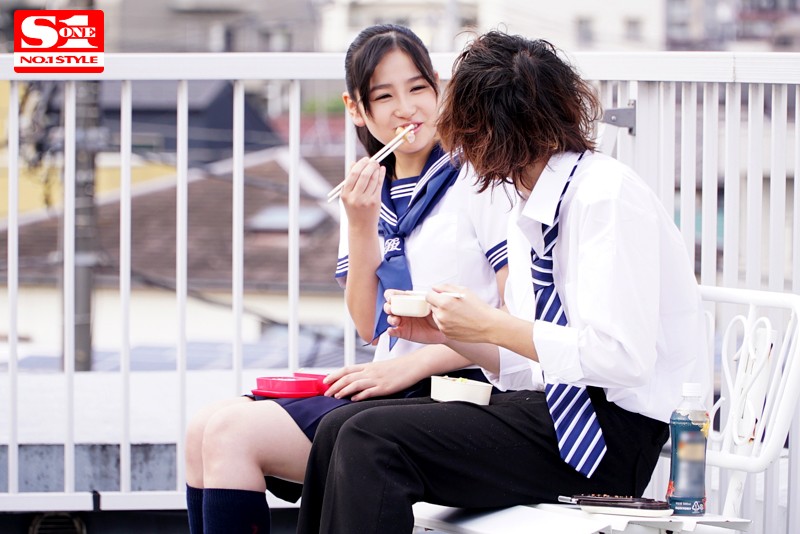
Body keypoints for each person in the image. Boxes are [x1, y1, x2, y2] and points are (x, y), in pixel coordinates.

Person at [295, 31, 711, 534]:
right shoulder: (529, 204)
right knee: (338, 429)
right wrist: (453, 333)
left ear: (490, 133)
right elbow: (528, 365)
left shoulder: (606, 197)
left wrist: (492, 325)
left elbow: (622, 358)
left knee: (371, 441)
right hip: (555, 411)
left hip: (608, 438)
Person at [183, 25, 512, 534]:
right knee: (200, 431)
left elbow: (514, 316)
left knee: (231, 433)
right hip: (394, 385)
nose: (407, 109)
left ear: (439, 89)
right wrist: (360, 225)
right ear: (356, 109)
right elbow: (368, 325)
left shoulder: (479, 179)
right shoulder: (366, 192)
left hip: (465, 387)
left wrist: (411, 366)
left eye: (418, 88)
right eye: (384, 96)